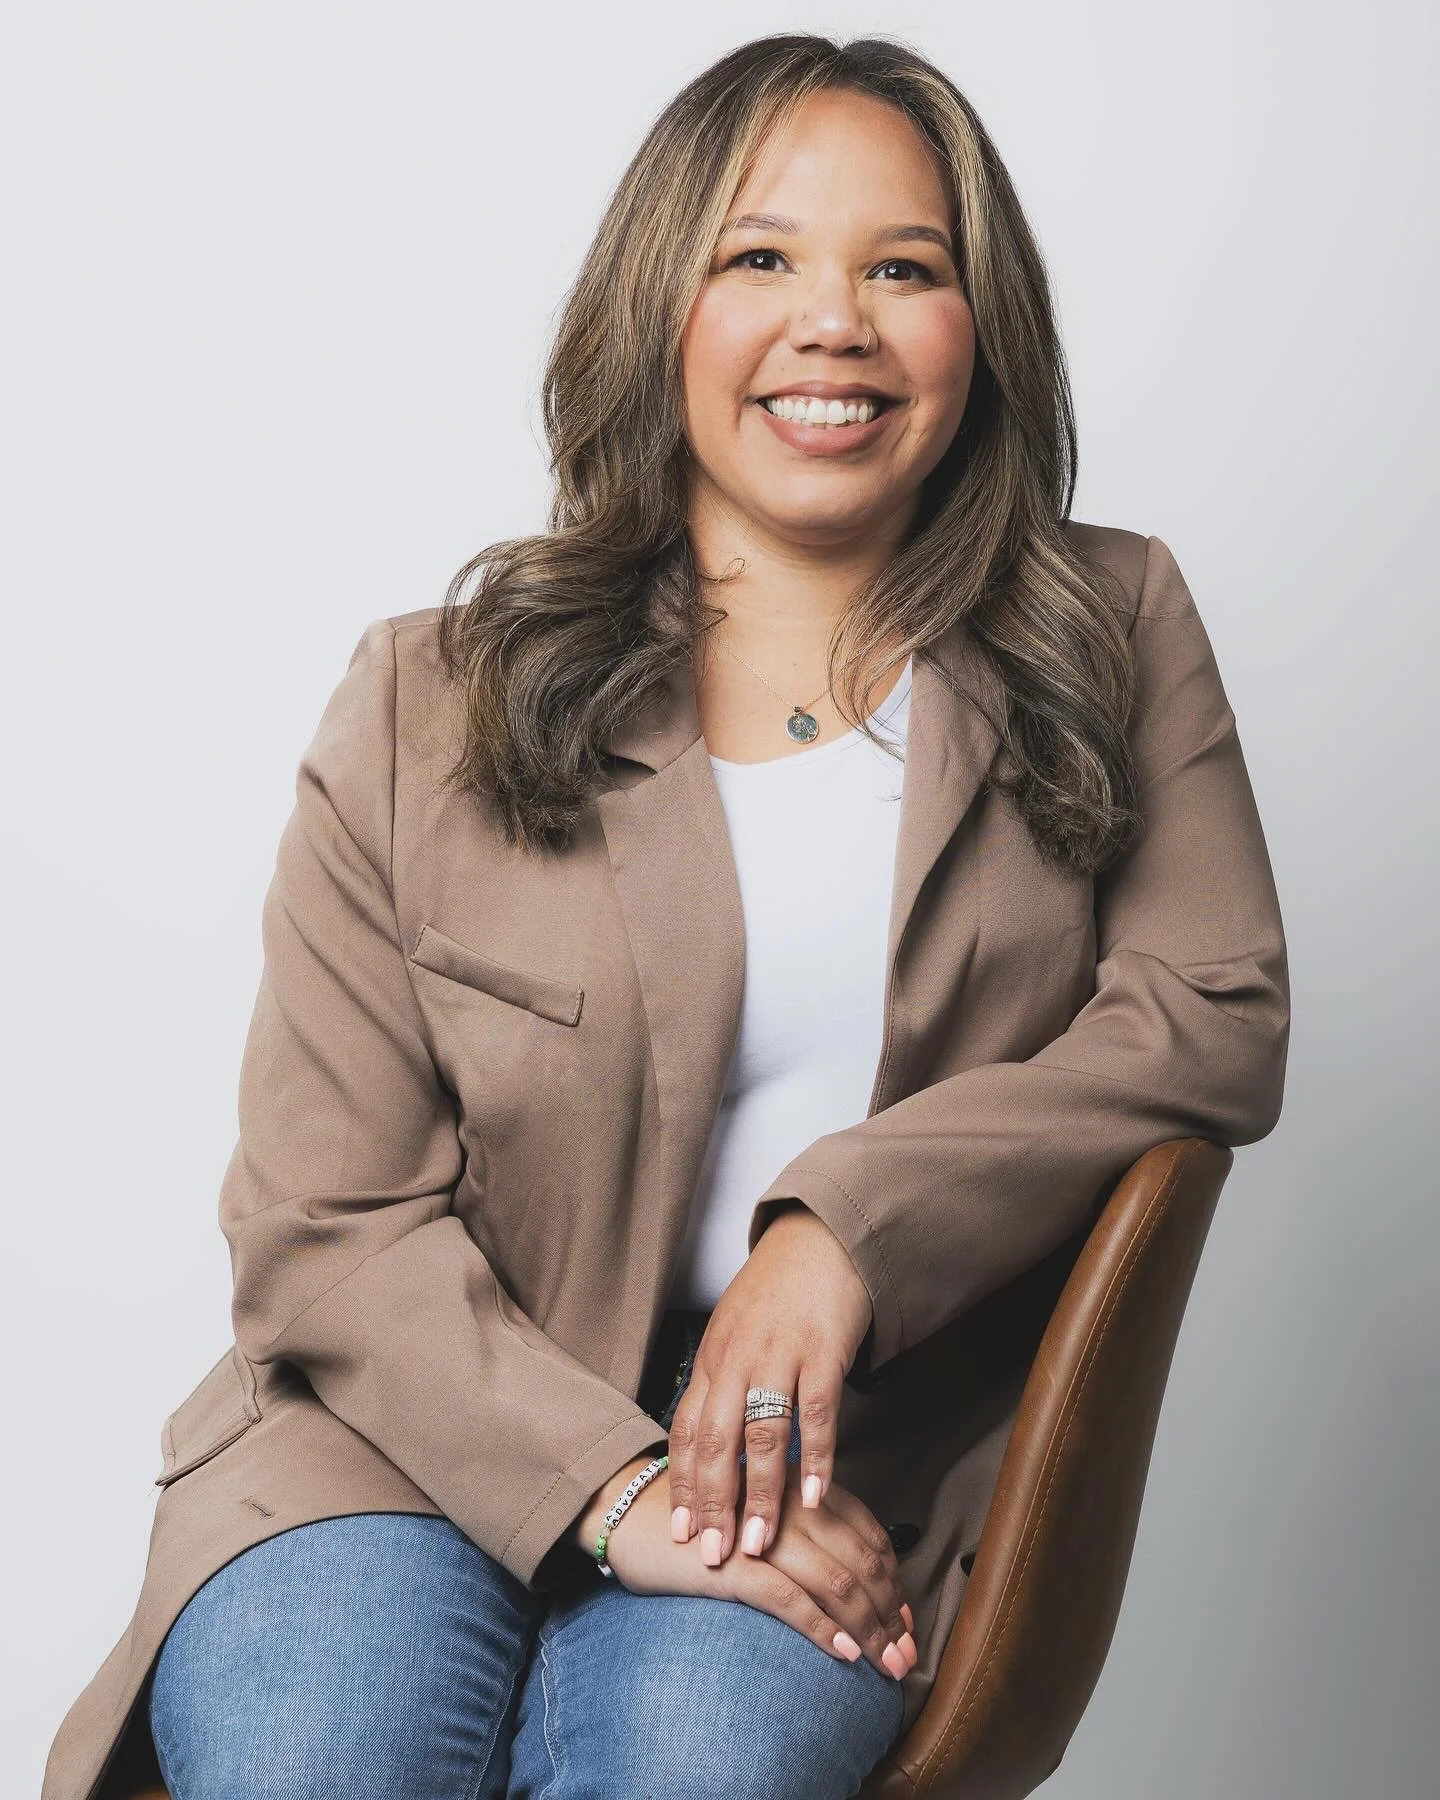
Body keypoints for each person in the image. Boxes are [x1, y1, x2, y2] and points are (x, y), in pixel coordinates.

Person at [42, 30, 1291, 1800]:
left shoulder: (1109, 622)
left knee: (693, 1768)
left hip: (819, 1468)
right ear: (663, 312)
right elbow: (325, 1219)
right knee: (316, 1756)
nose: (833, 321)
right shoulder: (428, 696)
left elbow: (1212, 1008)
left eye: (905, 269)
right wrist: (610, 1489)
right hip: (395, 1435)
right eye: (759, 257)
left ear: (979, 327)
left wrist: (841, 1229)